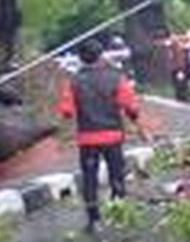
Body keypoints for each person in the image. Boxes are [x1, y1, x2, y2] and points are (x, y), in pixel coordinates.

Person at [57, 40, 149, 231]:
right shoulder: (115, 77)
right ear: (101, 55)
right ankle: (119, 215)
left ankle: (94, 221)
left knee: (89, 179)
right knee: (117, 176)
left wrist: (63, 138)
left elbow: (66, 111)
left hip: (87, 139)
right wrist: (141, 130)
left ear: (81, 59)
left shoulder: (73, 81)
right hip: (113, 136)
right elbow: (130, 107)